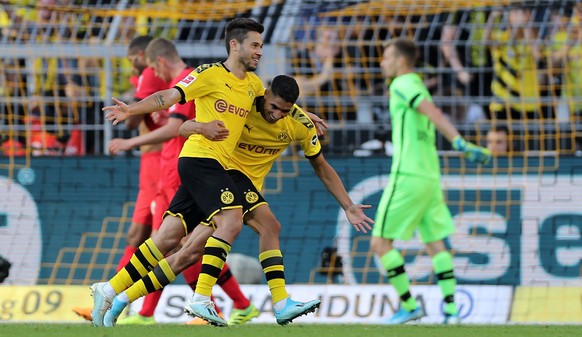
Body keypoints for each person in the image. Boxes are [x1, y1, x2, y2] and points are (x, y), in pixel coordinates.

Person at [97, 74, 373, 328]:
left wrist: (348, 205)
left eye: (285, 111)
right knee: (268, 226)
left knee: (187, 251)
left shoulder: (298, 124)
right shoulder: (241, 106)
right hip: (219, 174)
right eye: (274, 107)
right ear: (265, 95)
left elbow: (321, 166)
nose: (277, 115)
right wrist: (201, 127)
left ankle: (118, 296)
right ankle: (267, 301)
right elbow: (183, 128)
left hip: (231, 185)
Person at [94, 17, 283, 327]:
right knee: (231, 219)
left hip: (213, 167)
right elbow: (168, 97)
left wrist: (303, 117)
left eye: (261, 46)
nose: (259, 52)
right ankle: (201, 300)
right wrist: (132, 109)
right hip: (198, 160)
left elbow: (272, 110)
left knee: (168, 237)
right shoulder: (208, 74)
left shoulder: (253, 85)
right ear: (234, 45)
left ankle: (110, 289)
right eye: (254, 45)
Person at [369, 38, 491, 325]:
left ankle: (410, 306)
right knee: (437, 244)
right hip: (430, 176)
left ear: (400, 60)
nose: (382, 62)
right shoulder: (419, 84)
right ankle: (451, 311)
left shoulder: (403, 84)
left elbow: (433, 113)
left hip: (408, 175)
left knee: (379, 243)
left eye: (386, 56)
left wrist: (459, 141)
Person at [72, 35, 168, 321]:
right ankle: (111, 300)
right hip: (152, 163)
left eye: (132, 59)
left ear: (142, 55)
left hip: (160, 164)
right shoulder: (151, 76)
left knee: (164, 239)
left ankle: (141, 309)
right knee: (140, 236)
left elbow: (135, 121)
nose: (133, 64)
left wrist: (131, 102)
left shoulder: (149, 74)